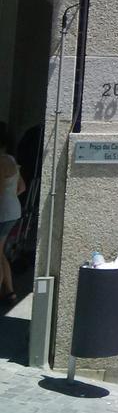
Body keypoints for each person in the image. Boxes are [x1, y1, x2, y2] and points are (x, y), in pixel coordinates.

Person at [0, 122, 26, 302]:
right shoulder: (11, 160)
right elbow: (22, 187)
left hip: (2, 212)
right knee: (0, 253)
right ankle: (9, 291)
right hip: (13, 210)